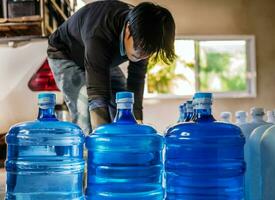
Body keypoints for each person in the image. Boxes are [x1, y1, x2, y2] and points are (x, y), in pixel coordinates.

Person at [47, 0, 176, 134]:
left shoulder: (145, 32)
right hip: (65, 53)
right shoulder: (100, 32)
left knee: (122, 98)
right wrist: (103, 138)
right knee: (85, 102)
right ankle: (89, 149)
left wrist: (136, 122)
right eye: (139, 48)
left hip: (100, 58)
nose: (141, 55)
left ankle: (121, 140)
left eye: (148, 52)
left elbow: (136, 79)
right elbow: (97, 94)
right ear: (128, 29)